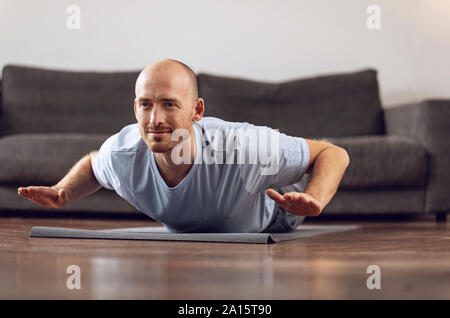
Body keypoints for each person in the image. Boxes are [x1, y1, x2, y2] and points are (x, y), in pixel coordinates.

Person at [17, 59, 350, 233]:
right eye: (145, 105)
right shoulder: (121, 153)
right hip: (206, 220)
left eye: (170, 105)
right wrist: (62, 192)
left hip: (273, 212)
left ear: (197, 111)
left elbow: (332, 154)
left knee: (313, 152)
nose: (155, 119)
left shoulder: (244, 145)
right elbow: (94, 162)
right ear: (135, 109)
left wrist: (315, 199)